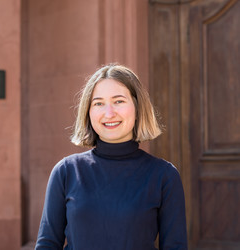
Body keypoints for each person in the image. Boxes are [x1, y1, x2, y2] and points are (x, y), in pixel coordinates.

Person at [35, 64, 187, 250]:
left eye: (118, 101)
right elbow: (47, 244)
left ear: (138, 107)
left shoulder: (164, 176)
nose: (109, 113)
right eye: (98, 103)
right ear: (88, 112)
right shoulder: (66, 171)